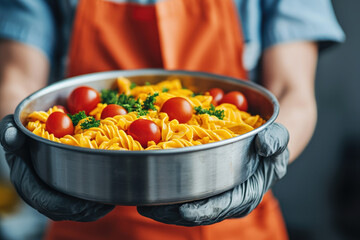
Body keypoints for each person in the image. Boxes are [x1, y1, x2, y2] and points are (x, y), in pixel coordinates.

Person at [0, 0, 344, 239]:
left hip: (232, 208)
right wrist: (20, 138)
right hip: (86, 209)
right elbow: (18, 79)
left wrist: (275, 153)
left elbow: (291, 90)